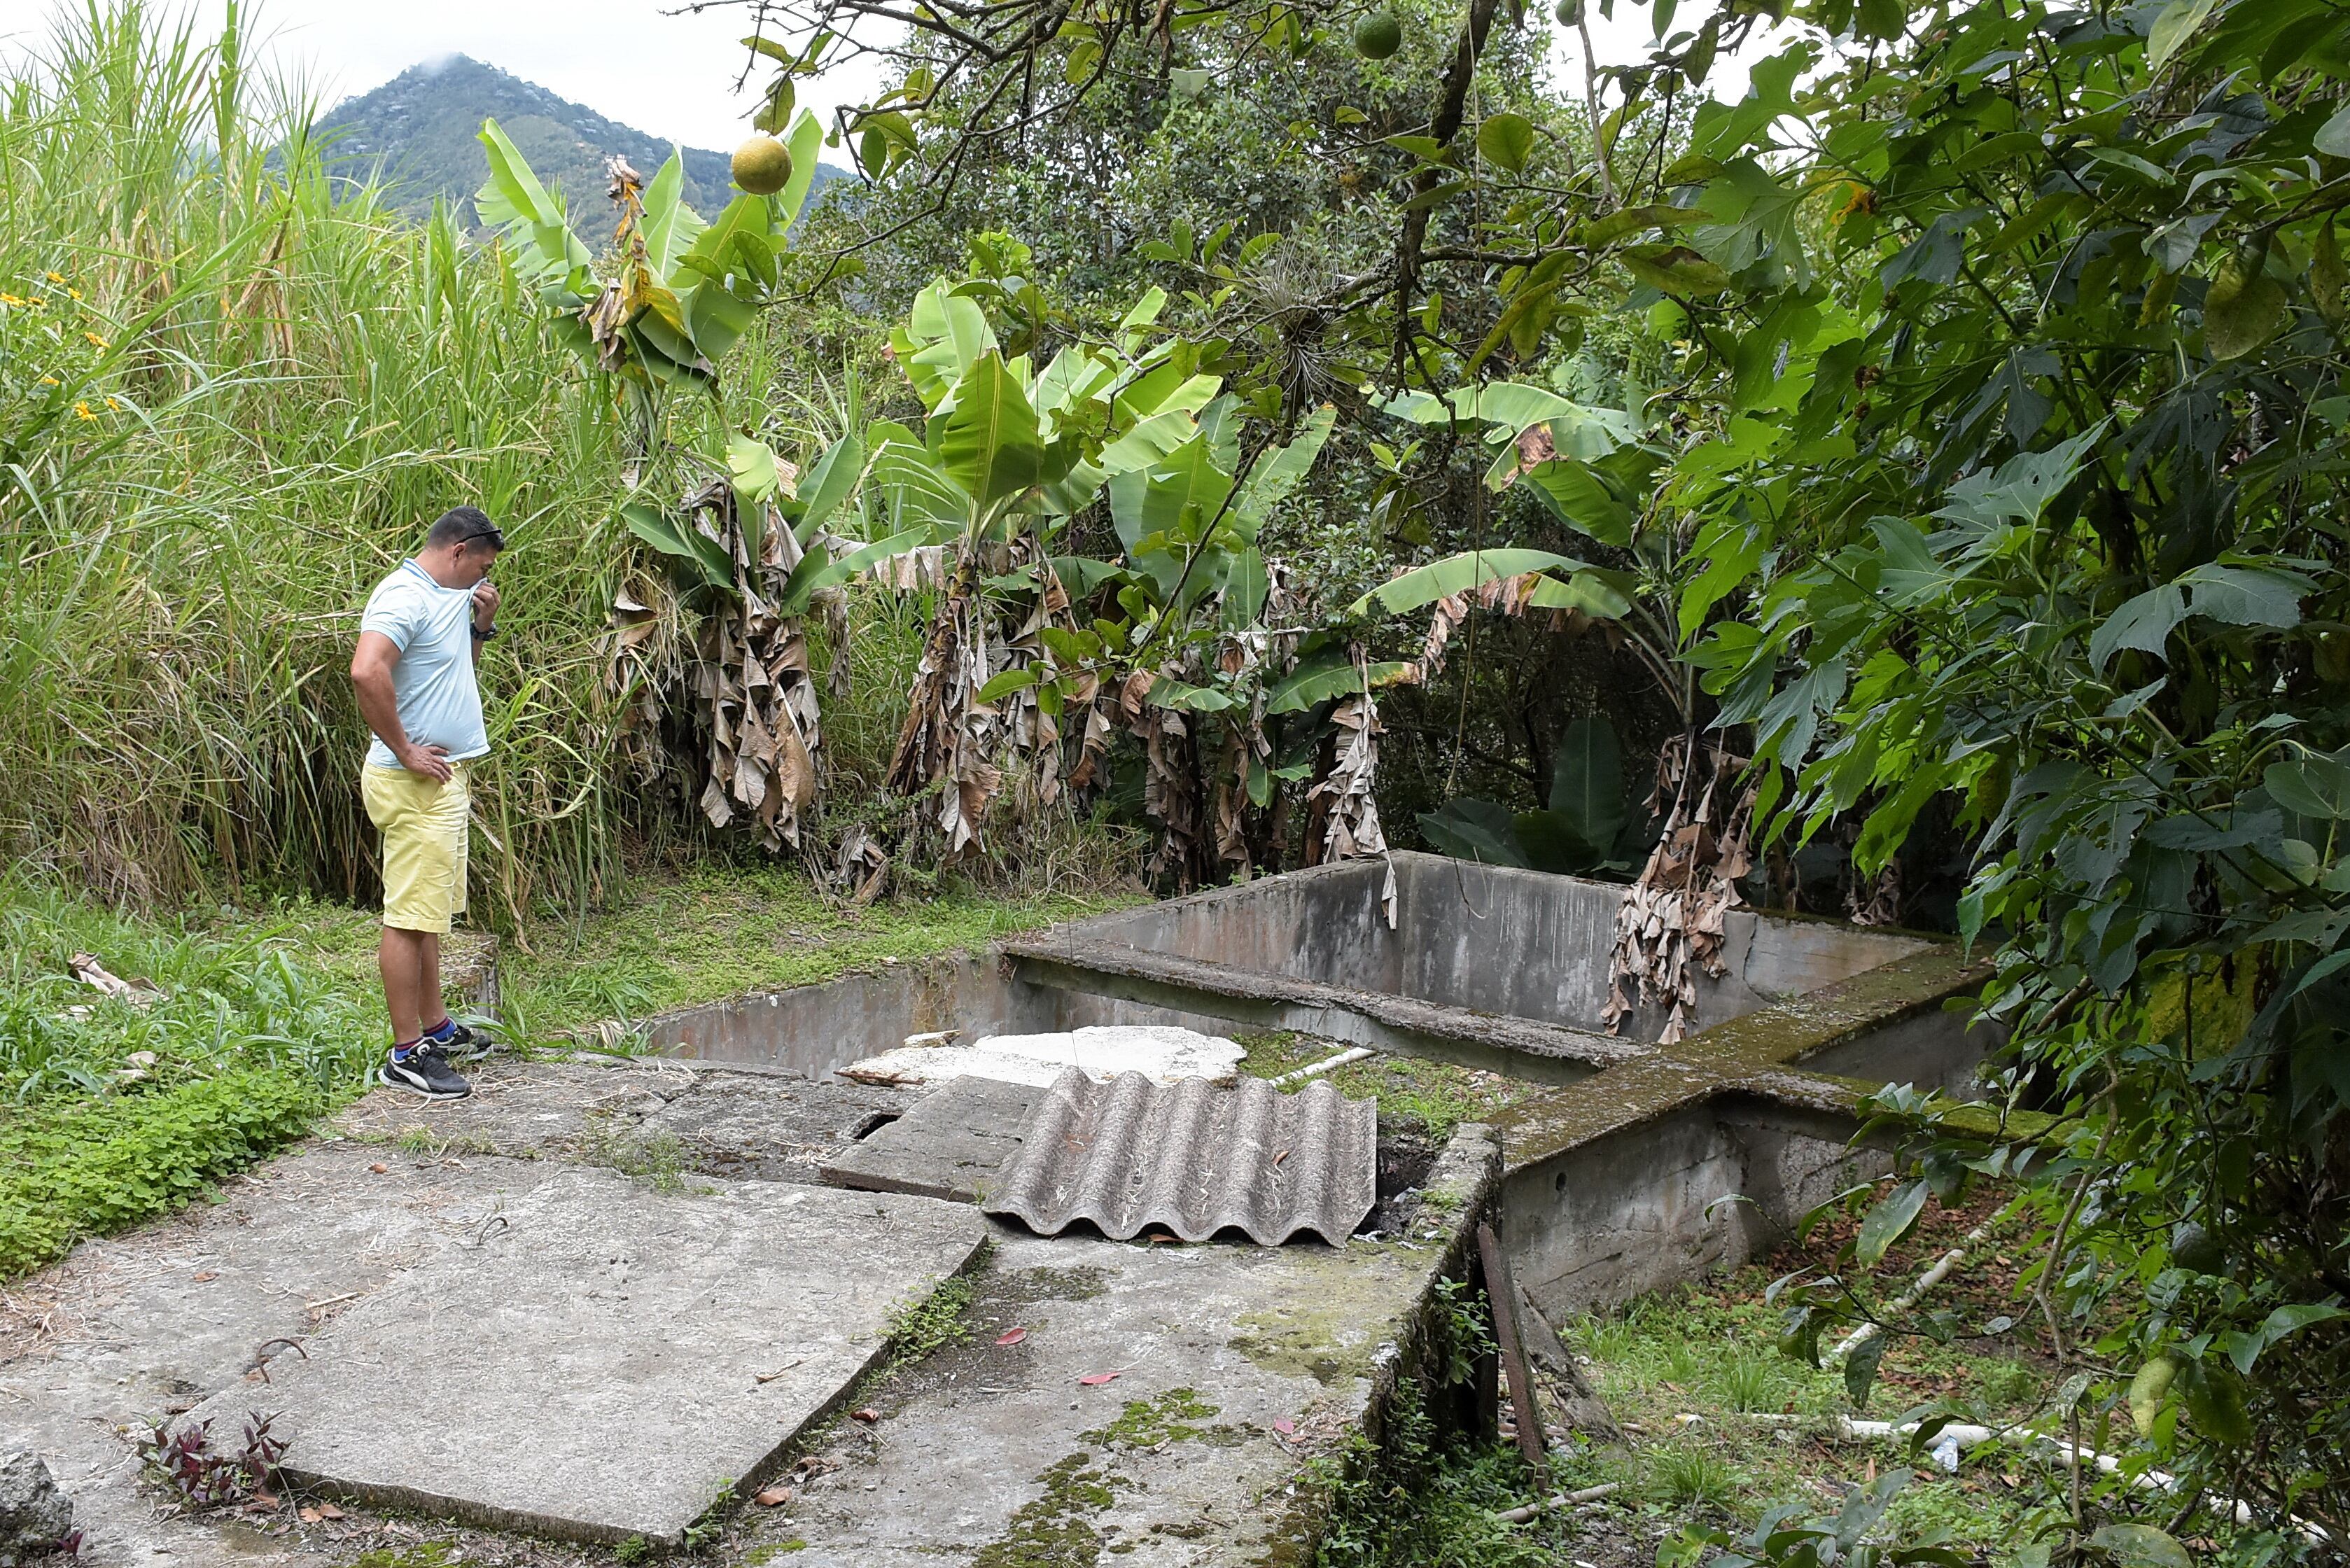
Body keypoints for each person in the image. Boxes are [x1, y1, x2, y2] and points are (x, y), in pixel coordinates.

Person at [349, 506, 504, 1099]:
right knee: (409, 918)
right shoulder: (402, 597)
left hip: (442, 779)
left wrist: (480, 629)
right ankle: (406, 1053)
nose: (484, 579)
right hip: (413, 782)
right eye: (482, 567)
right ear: (458, 551)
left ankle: (436, 1027)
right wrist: (406, 749)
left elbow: (451, 676)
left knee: (429, 914)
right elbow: (367, 672)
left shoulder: (446, 594)